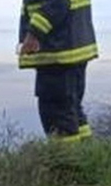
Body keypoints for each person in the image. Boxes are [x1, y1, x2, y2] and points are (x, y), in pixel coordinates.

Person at [18, 0, 98, 142]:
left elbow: (58, 3)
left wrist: (34, 33)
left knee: (58, 117)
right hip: (70, 50)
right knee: (71, 112)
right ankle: (86, 157)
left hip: (58, 53)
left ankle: (66, 162)